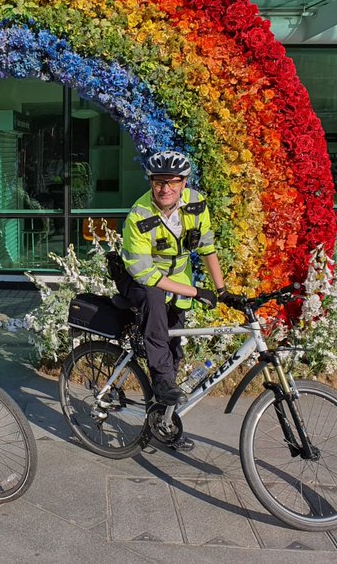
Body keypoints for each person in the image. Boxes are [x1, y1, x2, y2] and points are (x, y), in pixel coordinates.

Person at [116, 151, 238, 452]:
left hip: (179, 282)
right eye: (158, 182)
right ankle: (161, 382)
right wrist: (198, 293)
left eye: (172, 182)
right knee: (154, 305)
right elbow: (148, 275)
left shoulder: (196, 205)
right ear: (151, 182)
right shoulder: (139, 216)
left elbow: (207, 247)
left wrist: (221, 290)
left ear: (184, 182)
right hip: (142, 281)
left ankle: (164, 422)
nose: (165, 189)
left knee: (174, 349)